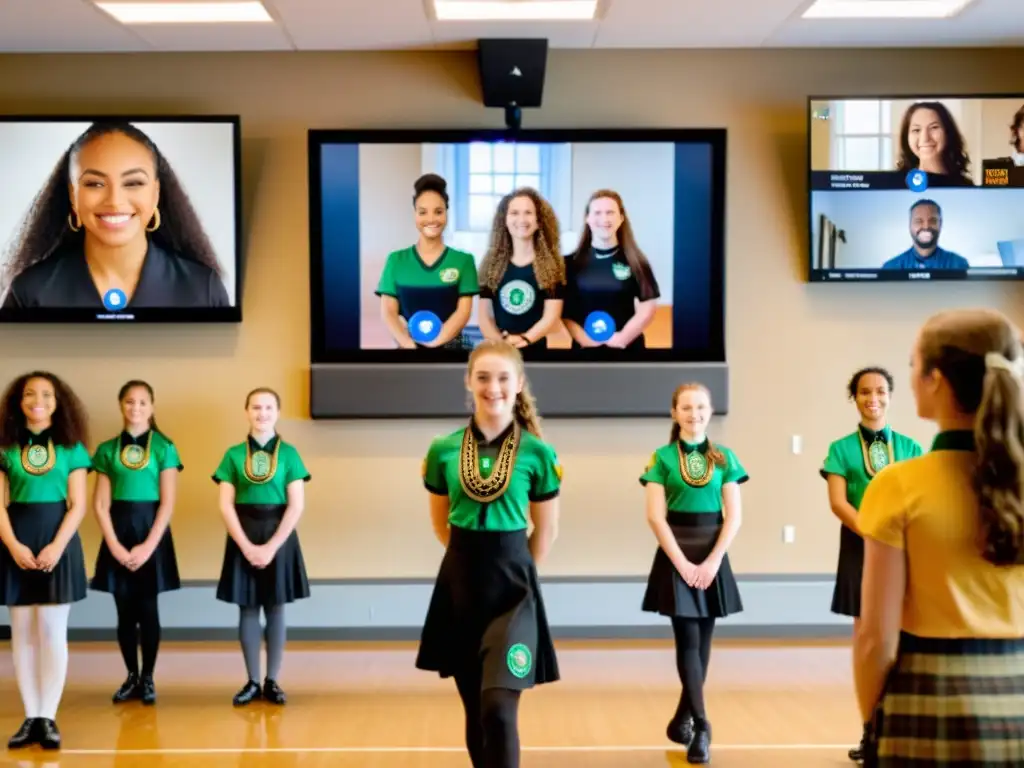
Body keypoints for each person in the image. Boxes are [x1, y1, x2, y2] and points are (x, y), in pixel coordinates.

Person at [855, 308, 1024, 767]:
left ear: (936, 380)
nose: (909, 377)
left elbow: (875, 637)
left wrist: (875, 722)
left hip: (932, 693)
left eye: (912, 365)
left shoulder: (897, 485)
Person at [417, 339, 561, 768]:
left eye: (502, 378)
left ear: (518, 384)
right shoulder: (442, 450)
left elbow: (547, 528)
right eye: (482, 377)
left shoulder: (538, 453)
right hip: (460, 585)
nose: (492, 387)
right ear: (468, 381)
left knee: (498, 710)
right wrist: (472, 563)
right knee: (475, 713)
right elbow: (441, 523)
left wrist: (517, 572)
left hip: (514, 590)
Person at [0, 121, 230, 310]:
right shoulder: (31, 292)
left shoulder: (203, 288)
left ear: (156, 193)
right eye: (95, 183)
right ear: (72, 194)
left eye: (133, 182)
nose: (114, 201)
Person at [819, 367, 923, 763]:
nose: (873, 398)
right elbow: (838, 503)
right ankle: (869, 732)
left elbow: (918, 499)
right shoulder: (840, 449)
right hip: (859, 546)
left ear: (891, 396)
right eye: (865, 392)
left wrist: (896, 536)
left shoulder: (912, 447)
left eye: (880, 391)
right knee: (868, 641)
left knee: (900, 639)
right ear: (855, 398)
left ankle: (898, 728)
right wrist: (874, 531)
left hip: (903, 548)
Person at [639, 383, 746, 765]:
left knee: (703, 643)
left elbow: (733, 516)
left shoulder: (725, 457)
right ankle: (701, 725)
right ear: (674, 413)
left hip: (712, 552)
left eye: (701, 406)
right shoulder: (661, 458)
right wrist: (682, 564)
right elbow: (655, 516)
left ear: (710, 410)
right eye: (686, 407)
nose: (694, 413)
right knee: (687, 638)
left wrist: (714, 560)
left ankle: (681, 717)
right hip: (675, 554)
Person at [0, 371, 91, 750]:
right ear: (18, 402)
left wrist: (56, 546)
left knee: (53, 632)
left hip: (59, 540)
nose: (38, 400)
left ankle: (48, 717)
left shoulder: (72, 448)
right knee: (22, 634)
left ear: (59, 401)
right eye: (29, 394)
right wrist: (12, 545)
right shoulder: (5, 446)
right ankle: (30, 714)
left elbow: (79, 504)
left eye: (47, 394)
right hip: (15, 541)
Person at [213, 387, 311, 706]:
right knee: (248, 607)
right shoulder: (231, 455)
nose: (262, 414)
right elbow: (226, 505)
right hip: (243, 530)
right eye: (256, 407)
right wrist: (245, 545)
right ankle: (252, 680)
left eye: (269, 408)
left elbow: (296, 506)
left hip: (278, 533)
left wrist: (270, 547)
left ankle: (273, 681)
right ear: (247, 412)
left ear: (277, 413)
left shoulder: (290, 454)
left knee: (276, 607)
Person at [90, 380, 182, 705]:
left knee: (148, 609)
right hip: (118, 533)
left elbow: (167, 503)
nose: (136, 408)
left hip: (150, 534)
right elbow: (100, 505)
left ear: (152, 407)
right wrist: (114, 546)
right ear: (121, 406)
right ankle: (130, 675)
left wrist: (148, 547)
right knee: (124, 612)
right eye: (130, 402)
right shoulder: (106, 449)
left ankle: (148, 677)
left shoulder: (164, 447)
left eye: (143, 402)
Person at [375, 173, 479, 349]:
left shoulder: (464, 261)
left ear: (446, 212)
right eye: (423, 212)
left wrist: (434, 345)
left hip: (452, 349)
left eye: (438, 212)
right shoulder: (396, 260)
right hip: (408, 349)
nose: (431, 219)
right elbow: (389, 312)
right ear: (415, 214)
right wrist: (409, 345)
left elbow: (463, 312)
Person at [562, 189, 660, 349]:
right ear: (587, 218)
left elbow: (648, 308)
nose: (604, 219)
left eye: (610, 212)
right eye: (597, 213)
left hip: (626, 348)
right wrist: (584, 340)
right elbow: (565, 312)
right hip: (584, 349)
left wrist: (622, 338)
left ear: (621, 218)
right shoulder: (570, 263)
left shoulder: (636, 261)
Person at [477, 187, 566, 350]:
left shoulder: (552, 266)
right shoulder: (491, 265)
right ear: (504, 220)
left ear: (539, 221)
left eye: (528, 213)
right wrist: (501, 343)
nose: (522, 219)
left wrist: (526, 339)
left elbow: (551, 317)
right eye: (514, 213)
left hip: (539, 349)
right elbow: (485, 317)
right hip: (501, 350)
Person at [894, 101, 974, 186]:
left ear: (948, 132)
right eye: (916, 130)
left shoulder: (964, 185)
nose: (925, 138)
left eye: (934, 127)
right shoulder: (896, 184)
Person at [880, 200, 969, 270]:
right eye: (918, 221)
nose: (926, 227)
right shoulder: (891, 268)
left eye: (932, 221)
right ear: (909, 225)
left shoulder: (958, 264)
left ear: (940, 224)